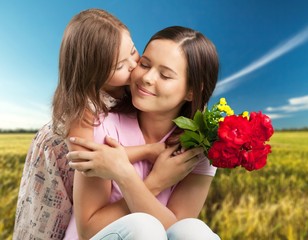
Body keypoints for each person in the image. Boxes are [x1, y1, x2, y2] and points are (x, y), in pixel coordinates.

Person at [14, 9, 195, 239]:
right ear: (93, 74)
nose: (133, 67)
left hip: (90, 189)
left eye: (133, 52)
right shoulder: (83, 108)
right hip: (56, 181)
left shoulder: (132, 90)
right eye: (120, 66)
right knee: (49, 230)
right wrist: (148, 151)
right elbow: (91, 159)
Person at [66, 26, 221, 239]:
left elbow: (176, 232)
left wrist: (125, 175)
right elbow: (88, 230)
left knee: (195, 232)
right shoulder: (101, 126)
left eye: (165, 75)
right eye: (144, 64)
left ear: (192, 90)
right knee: (143, 227)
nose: (147, 77)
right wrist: (154, 183)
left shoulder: (198, 149)